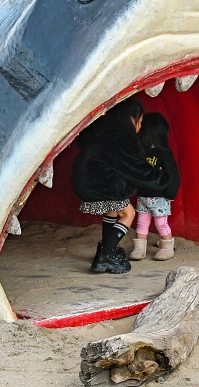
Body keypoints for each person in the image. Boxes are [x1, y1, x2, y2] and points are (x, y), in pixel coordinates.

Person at [70, 98, 170, 274]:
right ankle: (106, 255)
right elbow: (137, 170)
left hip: (83, 178)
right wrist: (161, 178)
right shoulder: (122, 137)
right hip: (101, 182)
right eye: (140, 121)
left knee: (112, 211)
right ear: (132, 118)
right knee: (128, 213)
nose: (140, 126)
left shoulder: (100, 128)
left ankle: (106, 249)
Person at [130, 113, 181, 261]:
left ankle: (167, 248)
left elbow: (173, 174)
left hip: (160, 197)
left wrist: (170, 194)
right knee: (141, 223)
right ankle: (139, 249)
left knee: (161, 223)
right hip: (142, 196)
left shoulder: (164, 153)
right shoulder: (141, 151)